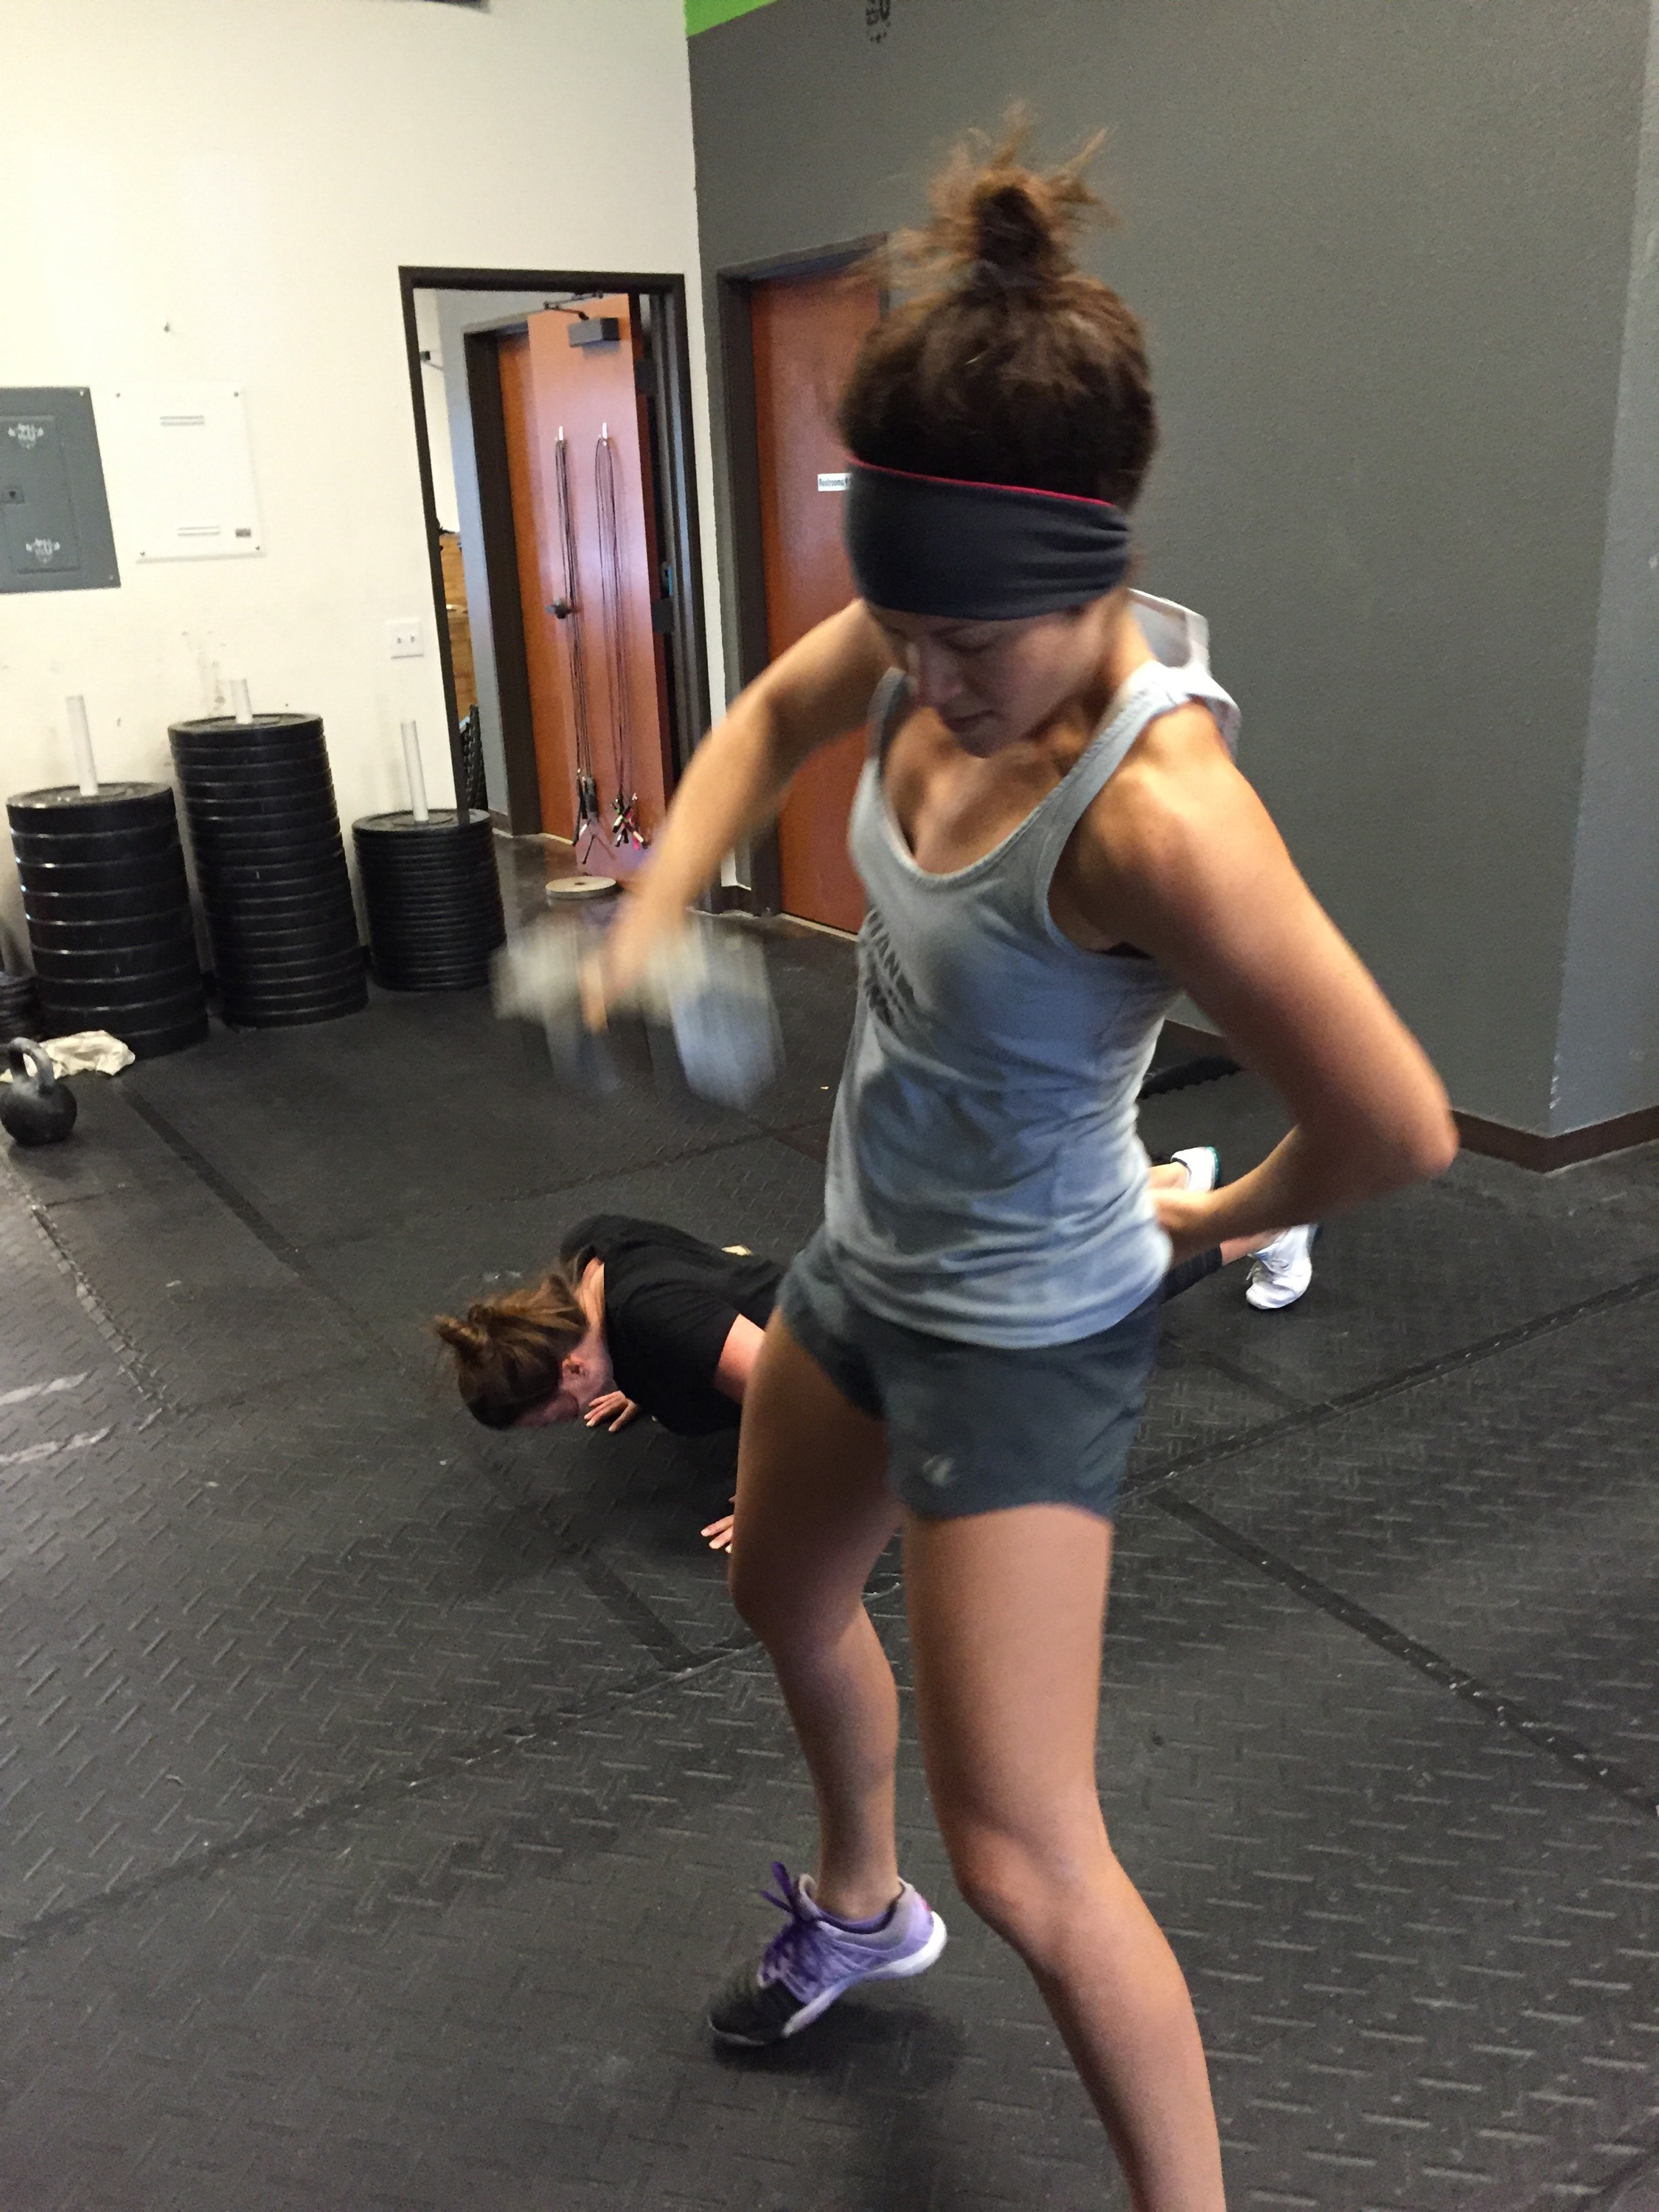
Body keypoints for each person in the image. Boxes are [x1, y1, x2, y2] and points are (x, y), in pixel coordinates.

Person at [512, 129, 1458, 2206]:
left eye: (970, 646)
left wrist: (1213, 1214)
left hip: (1027, 1335)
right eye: (905, 628)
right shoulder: (935, 615)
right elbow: (762, 721)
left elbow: (1391, 1119)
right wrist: (653, 914)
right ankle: (864, 1910)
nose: (926, 679)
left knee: (1030, 1855)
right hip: (857, 1263)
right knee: (778, 1586)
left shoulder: (1158, 812)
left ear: (1092, 572)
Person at [432, 1162, 1310, 1546]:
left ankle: (1272, 1220)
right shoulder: (589, 1255)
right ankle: (1168, 1186)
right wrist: (639, 1381)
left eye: (548, 1413)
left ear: (569, 1367)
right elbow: (705, 1276)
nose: (559, 1424)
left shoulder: (656, 1326)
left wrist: (778, 1504)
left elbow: (815, 1398)